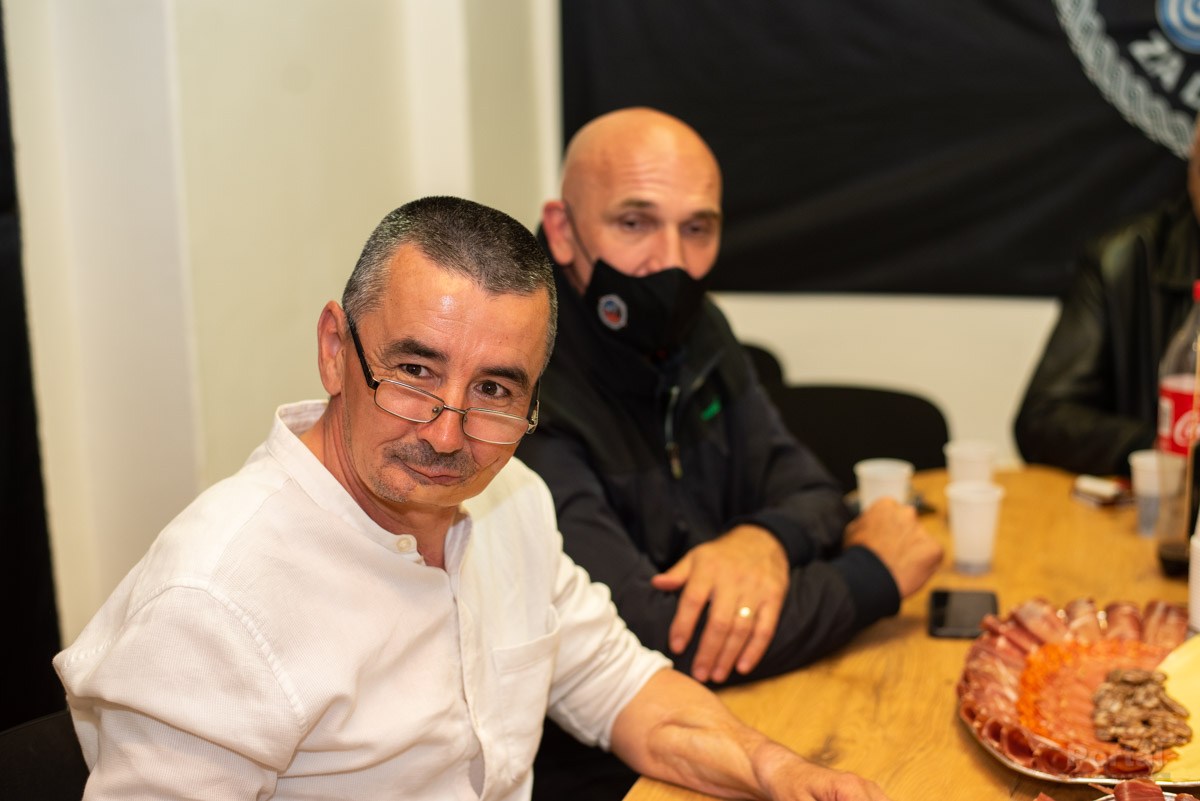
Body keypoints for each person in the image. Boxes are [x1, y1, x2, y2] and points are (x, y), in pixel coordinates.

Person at [53, 197, 892, 801]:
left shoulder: (513, 500)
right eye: (415, 371)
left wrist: (774, 768)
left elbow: (617, 684)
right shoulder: (213, 599)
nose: (449, 434)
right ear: (335, 350)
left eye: (494, 388)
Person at [516, 108, 944, 798]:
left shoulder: (699, 328)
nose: (671, 263)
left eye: (697, 229)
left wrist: (762, 542)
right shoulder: (518, 382)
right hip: (609, 766)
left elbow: (812, 489)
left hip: (749, 714)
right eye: (635, 222)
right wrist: (871, 577)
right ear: (563, 231)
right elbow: (650, 644)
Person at [1014, 116, 1200, 477]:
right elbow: (1043, 419)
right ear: (1192, 157)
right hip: (1160, 503)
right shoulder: (1125, 259)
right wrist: (1155, 448)